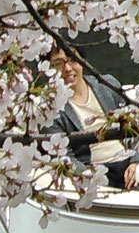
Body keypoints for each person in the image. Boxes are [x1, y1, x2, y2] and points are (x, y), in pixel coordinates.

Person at [47, 45, 130, 175]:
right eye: (58, 64)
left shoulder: (107, 85)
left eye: (73, 59)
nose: (68, 69)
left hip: (128, 161)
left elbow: (135, 127)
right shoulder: (49, 109)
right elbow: (64, 156)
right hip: (94, 171)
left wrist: (136, 162)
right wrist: (88, 177)